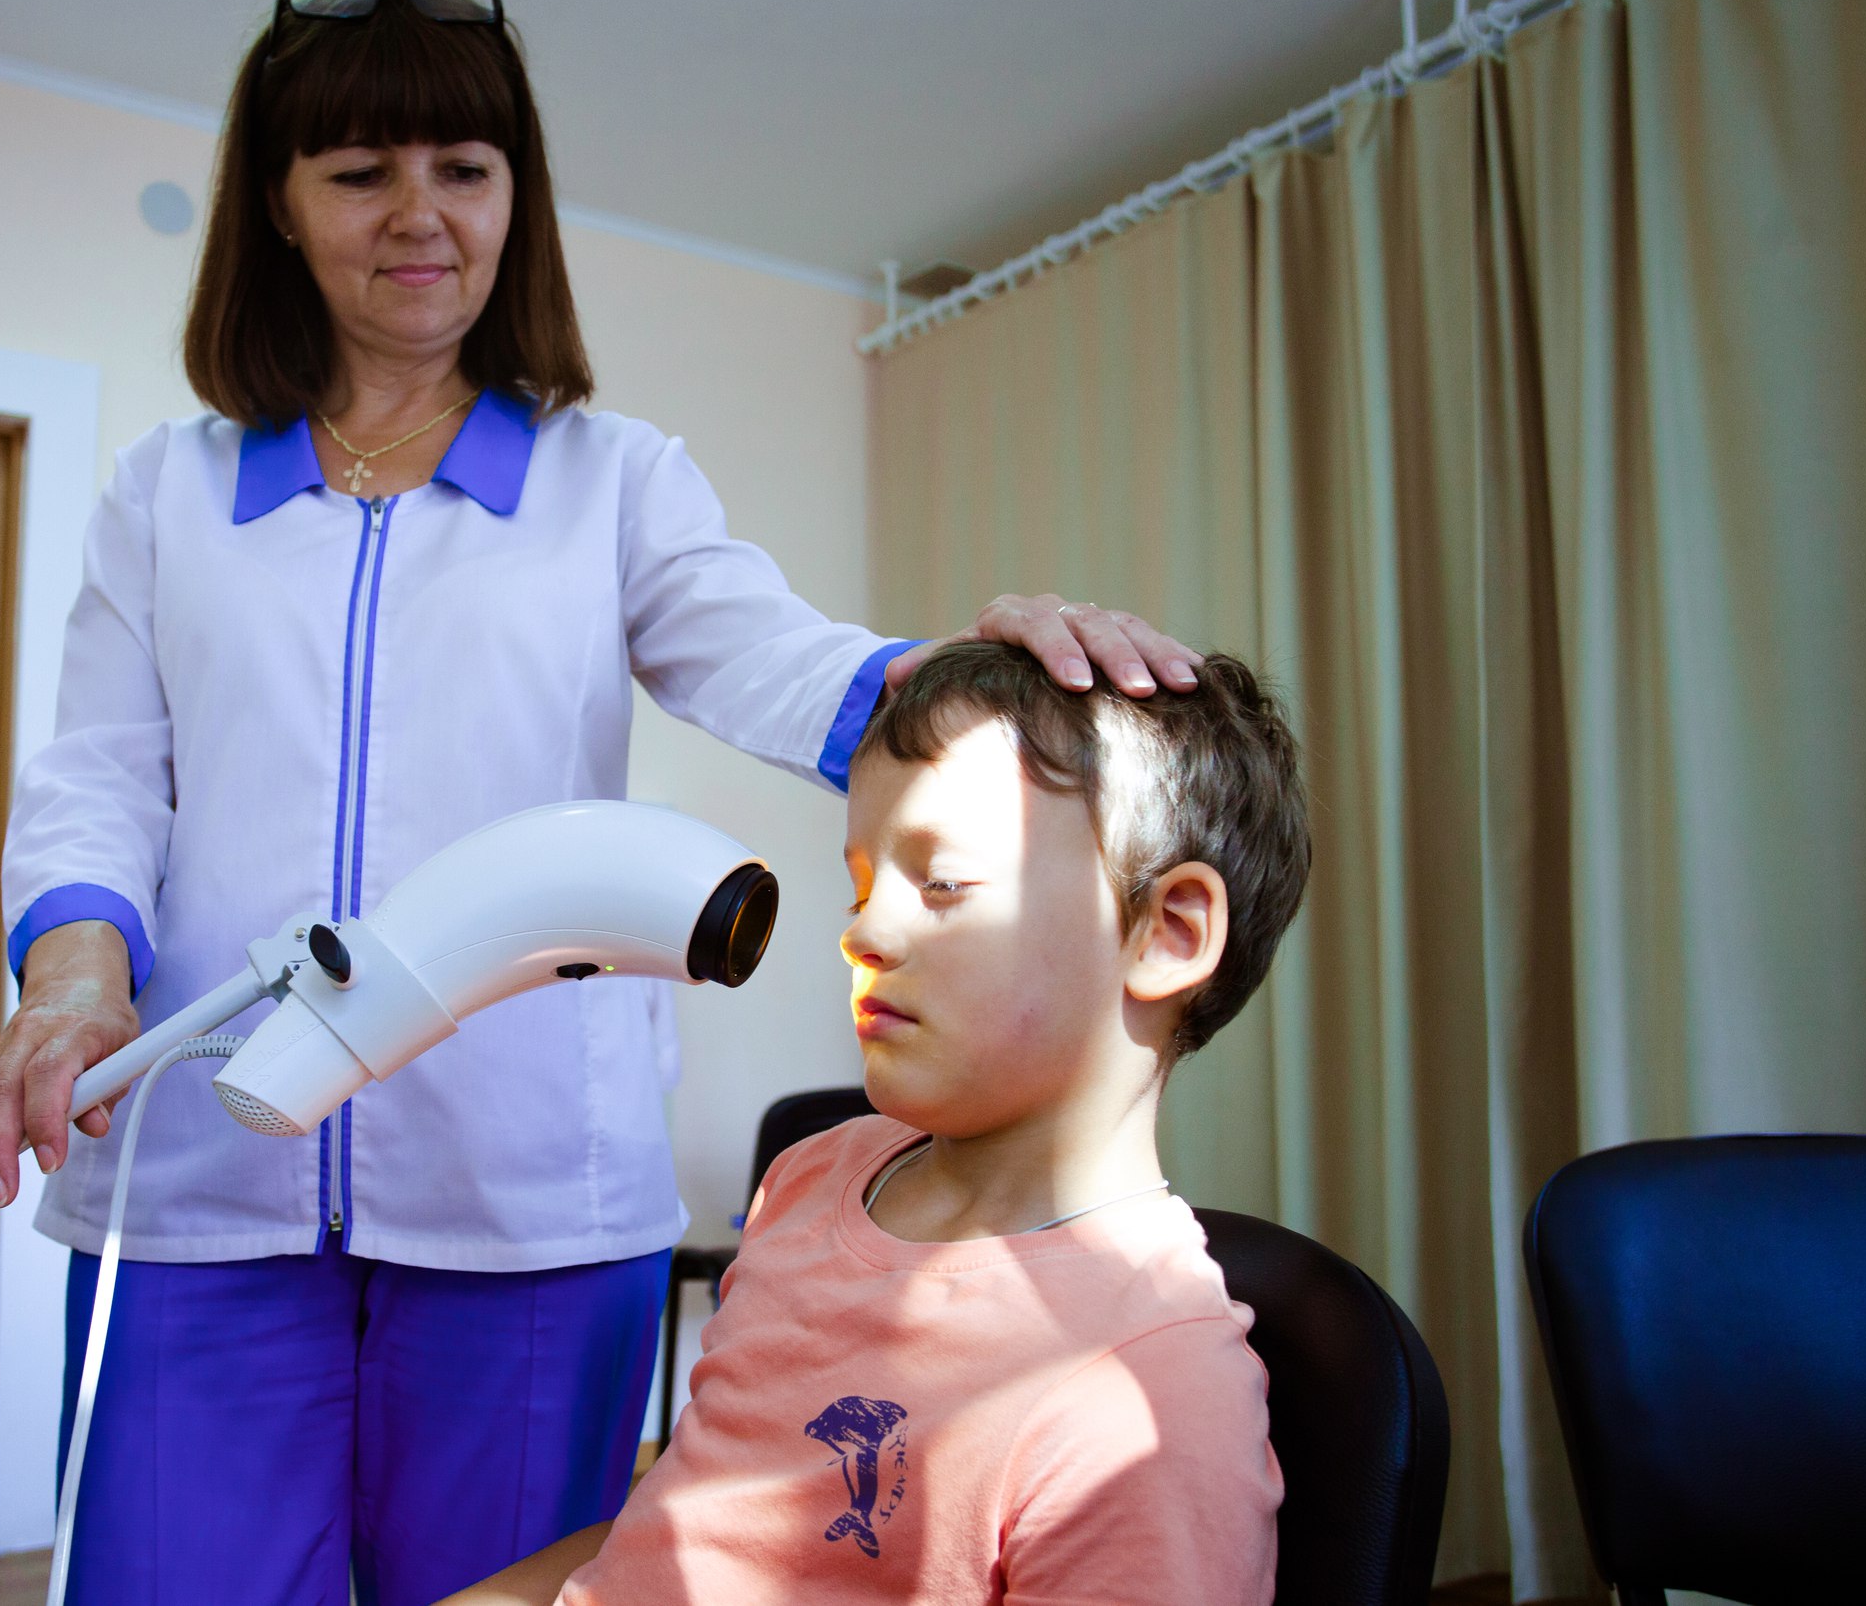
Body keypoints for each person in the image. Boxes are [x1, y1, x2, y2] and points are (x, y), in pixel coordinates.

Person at [0, 0, 1204, 1606]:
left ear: (515, 197)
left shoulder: (614, 482)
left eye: (465, 167)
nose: (421, 214)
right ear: (280, 205)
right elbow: (97, 774)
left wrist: (982, 672)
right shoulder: (165, 494)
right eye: (361, 171)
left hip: (525, 1206)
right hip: (198, 1185)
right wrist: (69, 979)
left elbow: (785, 665)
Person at [441, 640, 1308, 1605]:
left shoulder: (1146, 1398)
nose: (862, 931)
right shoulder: (811, 1180)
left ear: (1169, 932)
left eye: (943, 884)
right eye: (862, 887)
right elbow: (684, 1532)